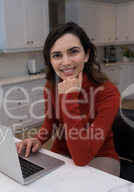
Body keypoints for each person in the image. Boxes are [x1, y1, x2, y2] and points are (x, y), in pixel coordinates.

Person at [15, 22, 121, 176]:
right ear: (51, 61)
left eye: (73, 52)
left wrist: (70, 97)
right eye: (57, 55)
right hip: (63, 151)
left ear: (86, 55)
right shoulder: (51, 86)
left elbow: (82, 157)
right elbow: (51, 121)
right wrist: (38, 139)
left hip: (100, 155)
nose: (65, 62)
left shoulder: (108, 92)